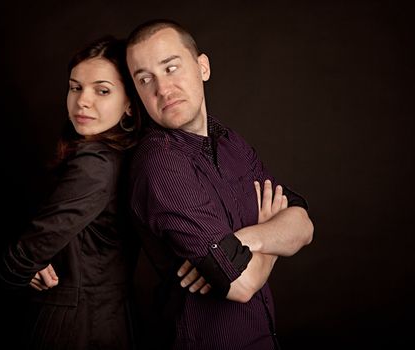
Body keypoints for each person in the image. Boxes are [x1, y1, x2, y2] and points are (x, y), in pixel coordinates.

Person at [126, 19, 314, 349]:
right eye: (145, 79)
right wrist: (273, 234)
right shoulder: (161, 164)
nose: (162, 89)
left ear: (203, 67)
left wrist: (245, 239)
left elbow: (303, 224)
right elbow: (240, 284)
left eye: (171, 68)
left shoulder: (228, 141)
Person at [0, 36, 142, 350]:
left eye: (102, 90)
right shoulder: (118, 155)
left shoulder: (96, 165)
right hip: (108, 319)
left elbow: (26, 252)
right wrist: (31, 267)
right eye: (76, 87)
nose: (82, 101)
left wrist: (17, 271)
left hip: (75, 325)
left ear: (130, 102)